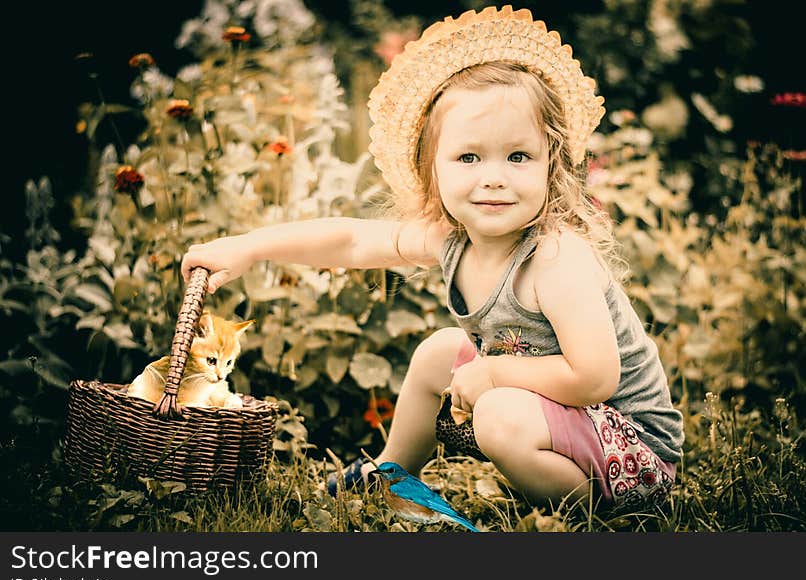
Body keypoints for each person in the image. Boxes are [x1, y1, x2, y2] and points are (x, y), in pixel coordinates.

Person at [181, 5, 683, 508]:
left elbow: (595, 378)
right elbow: (353, 242)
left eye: (518, 156)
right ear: (433, 167)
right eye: (469, 157)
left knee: (498, 415)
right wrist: (248, 247)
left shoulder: (553, 260)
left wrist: (493, 374)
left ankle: (584, 510)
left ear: (550, 163)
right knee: (439, 353)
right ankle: (393, 475)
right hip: (564, 420)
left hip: (633, 454)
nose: (494, 177)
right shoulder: (452, 239)